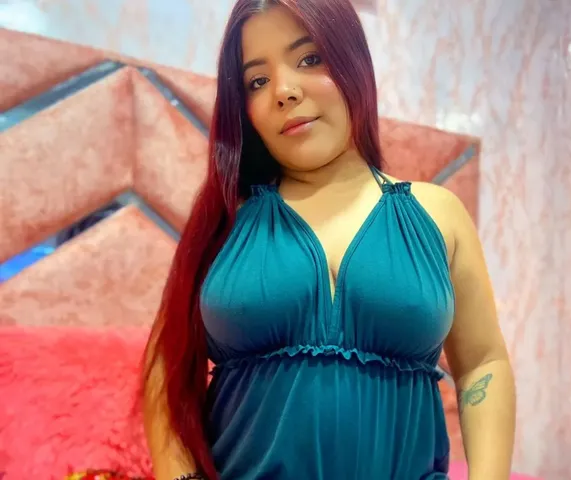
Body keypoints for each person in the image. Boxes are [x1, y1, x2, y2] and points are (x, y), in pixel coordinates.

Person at [141, 0, 516, 479]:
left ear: (353, 61)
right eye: (257, 81)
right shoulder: (225, 222)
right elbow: (167, 363)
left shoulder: (439, 214)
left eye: (309, 58)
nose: (284, 91)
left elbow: (483, 362)